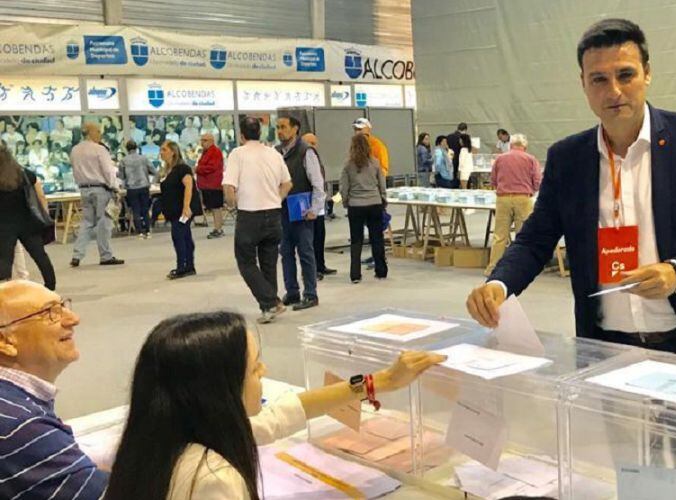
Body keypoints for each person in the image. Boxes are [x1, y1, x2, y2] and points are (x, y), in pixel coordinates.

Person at [467, 18, 676, 365]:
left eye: (625, 75)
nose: (614, 91)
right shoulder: (568, 158)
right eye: (599, 79)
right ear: (583, 83)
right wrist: (499, 285)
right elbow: (535, 240)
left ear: (647, 73)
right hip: (605, 350)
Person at [103, 311, 445, 500]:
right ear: (218, 390)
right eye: (255, 367)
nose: (264, 372)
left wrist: (380, 381)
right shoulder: (213, 479)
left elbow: (279, 417)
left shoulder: (165, 437)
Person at [0, 280, 108, 498]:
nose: (73, 319)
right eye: (50, 312)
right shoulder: (20, 425)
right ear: (5, 341)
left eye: (63, 306)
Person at [223, 117, 292, 324]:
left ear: (241, 135)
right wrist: (275, 199)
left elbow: (228, 187)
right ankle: (268, 307)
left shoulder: (237, 154)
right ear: (259, 133)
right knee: (268, 262)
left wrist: (232, 204)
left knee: (245, 260)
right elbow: (287, 184)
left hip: (249, 214)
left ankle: (270, 301)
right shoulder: (273, 153)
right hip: (273, 214)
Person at [275, 116, 324, 311]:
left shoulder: (306, 152)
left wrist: (315, 209)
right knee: (285, 252)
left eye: (284, 127)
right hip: (283, 210)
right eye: (278, 127)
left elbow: (318, 183)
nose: (280, 131)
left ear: (295, 129)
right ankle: (292, 291)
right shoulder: (276, 152)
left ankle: (311, 294)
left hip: (302, 210)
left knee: (305, 252)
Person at [485, 133, 542, 276]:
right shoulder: (531, 159)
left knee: (499, 235)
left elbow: (493, 180)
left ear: (510, 145)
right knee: (523, 236)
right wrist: (532, 190)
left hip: (503, 198)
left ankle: (492, 268)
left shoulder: (500, 159)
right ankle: (522, 268)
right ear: (525, 146)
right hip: (523, 198)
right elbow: (537, 181)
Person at [0, 145, 55, 289]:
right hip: (27, 222)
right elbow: (40, 194)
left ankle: (4, 289)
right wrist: (45, 214)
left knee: (5, 258)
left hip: (4, 225)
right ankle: (50, 285)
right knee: (40, 255)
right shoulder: (24, 173)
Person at [70, 122, 124, 268]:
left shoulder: (75, 150)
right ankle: (105, 255)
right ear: (90, 133)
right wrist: (115, 187)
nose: (100, 134)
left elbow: (75, 170)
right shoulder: (99, 149)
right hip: (101, 189)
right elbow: (108, 171)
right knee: (104, 222)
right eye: (98, 131)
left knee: (87, 222)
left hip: (84, 189)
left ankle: (77, 255)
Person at [340, 133, 388, 283]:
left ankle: (355, 275)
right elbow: (382, 184)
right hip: (374, 203)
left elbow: (344, 188)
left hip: (356, 205)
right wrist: (383, 200)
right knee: (377, 238)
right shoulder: (375, 163)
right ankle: (381, 271)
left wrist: (346, 202)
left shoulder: (348, 165)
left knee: (356, 240)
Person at [301, 132, 337, 279]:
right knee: (310, 240)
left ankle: (321, 265)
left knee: (320, 237)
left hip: (319, 205)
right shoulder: (303, 157)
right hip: (308, 205)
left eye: (314, 143)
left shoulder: (315, 157)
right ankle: (312, 270)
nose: (312, 146)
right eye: (309, 142)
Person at [159, 141, 197, 279]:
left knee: (178, 236)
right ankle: (189, 266)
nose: (161, 152)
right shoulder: (167, 170)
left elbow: (189, 186)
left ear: (173, 152)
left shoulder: (182, 168)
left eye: (164, 149)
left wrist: (186, 207)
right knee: (185, 236)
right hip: (173, 209)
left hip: (182, 210)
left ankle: (182, 266)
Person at [118, 140, 156, 239]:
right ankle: (147, 231)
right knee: (145, 209)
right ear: (136, 148)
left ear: (127, 149)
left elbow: (121, 176)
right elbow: (153, 170)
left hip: (131, 187)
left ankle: (139, 232)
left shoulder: (123, 160)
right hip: (144, 186)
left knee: (136, 210)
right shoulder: (144, 158)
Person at [196, 133, 227, 239]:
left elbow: (211, 167)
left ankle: (218, 229)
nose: (202, 143)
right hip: (207, 185)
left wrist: (197, 169)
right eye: (201, 140)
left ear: (211, 141)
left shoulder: (215, 151)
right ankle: (217, 227)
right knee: (214, 208)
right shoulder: (206, 152)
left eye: (204, 140)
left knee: (216, 208)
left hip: (214, 185)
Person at [446, 122, 470, 187]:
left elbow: (446, 148)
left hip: (450, 160)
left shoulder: (449, 136)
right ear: (465, 129)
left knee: (451, 179)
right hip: (460, 162)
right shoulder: (464, 138)